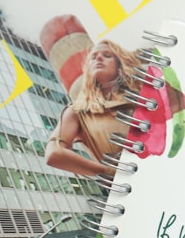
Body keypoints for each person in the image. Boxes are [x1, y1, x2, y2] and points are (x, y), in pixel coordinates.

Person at [45, 40, 141, 177]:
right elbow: (54, 153)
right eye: (93, 57)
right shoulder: (77, 111)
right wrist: (106, 172)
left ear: (120, 64)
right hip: (131, 181)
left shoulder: (143, 94)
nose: (99, 58)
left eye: (107, 55)